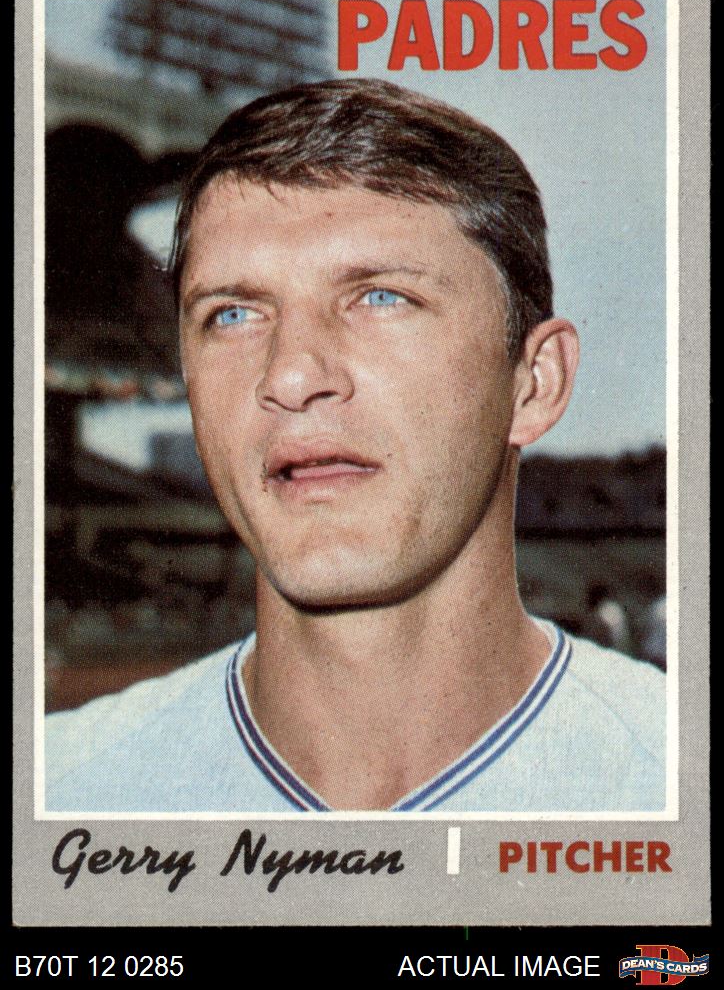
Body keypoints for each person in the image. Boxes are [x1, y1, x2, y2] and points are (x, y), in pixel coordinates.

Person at [46, 78, 666, 813]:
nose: (290, 375)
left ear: (534, 384)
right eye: (233, 313)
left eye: (381, 297)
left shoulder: (675, 776)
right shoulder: (56, 789)